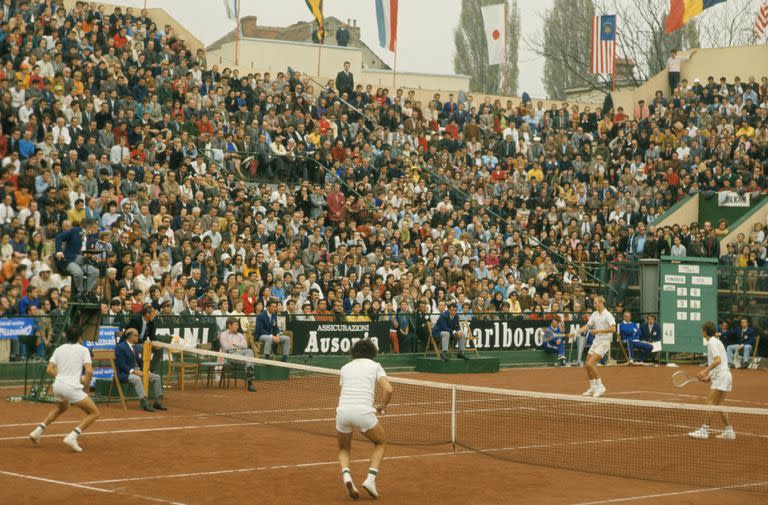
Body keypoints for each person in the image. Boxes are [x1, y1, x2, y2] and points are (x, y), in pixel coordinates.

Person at [29, 325, 100, 452]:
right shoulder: (83, 350)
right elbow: (89, 370)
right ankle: (73, 436)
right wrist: (86, 385)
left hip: (58, 386)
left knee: (61, 407)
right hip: (71, 388)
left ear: (66, 336)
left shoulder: (59, 349)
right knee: (94, 413)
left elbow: (49, 369)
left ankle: (37, 431)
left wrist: (62, 377)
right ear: (79, 337)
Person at [336, 338, 393, 499]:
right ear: (372, 352)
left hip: (343, 412)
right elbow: (388, 389)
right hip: (363, 413)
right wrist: (383, 406)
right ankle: (370, 479)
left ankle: (347, 476)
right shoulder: (375, 366)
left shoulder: (345, 367)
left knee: (343, 449)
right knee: (380, 442)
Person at [688, 321, 735, 440]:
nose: (701, 332)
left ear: (704, 331)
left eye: (701, 330)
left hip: (722, 376)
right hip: (725, 375)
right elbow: (721, 362)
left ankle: (705, 430)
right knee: (719, 403)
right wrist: (709, 377)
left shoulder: (712, 343)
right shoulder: (716, 342)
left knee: (710, 401)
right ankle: (729, 430)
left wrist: (705, 371)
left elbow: (718, 360)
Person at [572, 296, 616, 397]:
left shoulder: (608, 315)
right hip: (596, 342)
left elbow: (613, 329)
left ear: (601, 303)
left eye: (596, 303)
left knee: (591, 364)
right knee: (587, 365)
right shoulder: (594, 314)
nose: (594, 305)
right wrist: (576, 332)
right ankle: (592, 388)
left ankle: (600, 386)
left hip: (604, 343)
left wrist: (598, 331)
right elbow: (587, 326)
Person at [115, 327, 167, 412]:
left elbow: (140, 362)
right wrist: (133, 371)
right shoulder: (120, 347)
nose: (138, 337)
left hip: (138, 371)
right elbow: (121, 364)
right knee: (137, 378)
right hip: (125, 373)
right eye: (136, 335)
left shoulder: (137, 347)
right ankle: (144, 402)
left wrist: (145, 371)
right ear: (131, 337)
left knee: (156, 377)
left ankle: (157, 401)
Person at [54, 219, 99, 295]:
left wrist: (91, 256)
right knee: (78, 273)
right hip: (70, 259)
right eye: (94, 228)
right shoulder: (75, 231)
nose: (96, 230)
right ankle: (79, 292)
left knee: (95, 272)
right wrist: (59, 251)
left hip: (83, 261)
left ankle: (85, 292)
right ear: (88, 227)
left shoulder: (91, 237)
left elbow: (88, 251)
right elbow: (59, 237)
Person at [219, 317, 256, 392]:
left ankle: (249, 381)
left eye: (237, 325)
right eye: (235, 325)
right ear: (229, 325)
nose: (237, 327)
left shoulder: (240, 335)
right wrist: (238, 346)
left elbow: (245, 345)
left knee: (249, 351)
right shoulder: (223, 335)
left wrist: (234, 344)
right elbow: (226, 347)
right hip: (230, 355)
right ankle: (250, 383)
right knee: (249, 361)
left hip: (242, 353)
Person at [124, 305, 162, 373]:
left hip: (143, 343)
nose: (154, 315)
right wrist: (147, 342)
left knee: (159, 348)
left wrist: (156, 343)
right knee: (140, 347)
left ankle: (151, 369)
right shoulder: (135, 320)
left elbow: (152, 336)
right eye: (153, 313)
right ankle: (142, 369)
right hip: (132, 343)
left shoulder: (151, 322)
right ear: (147, 314)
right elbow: (133, 338)